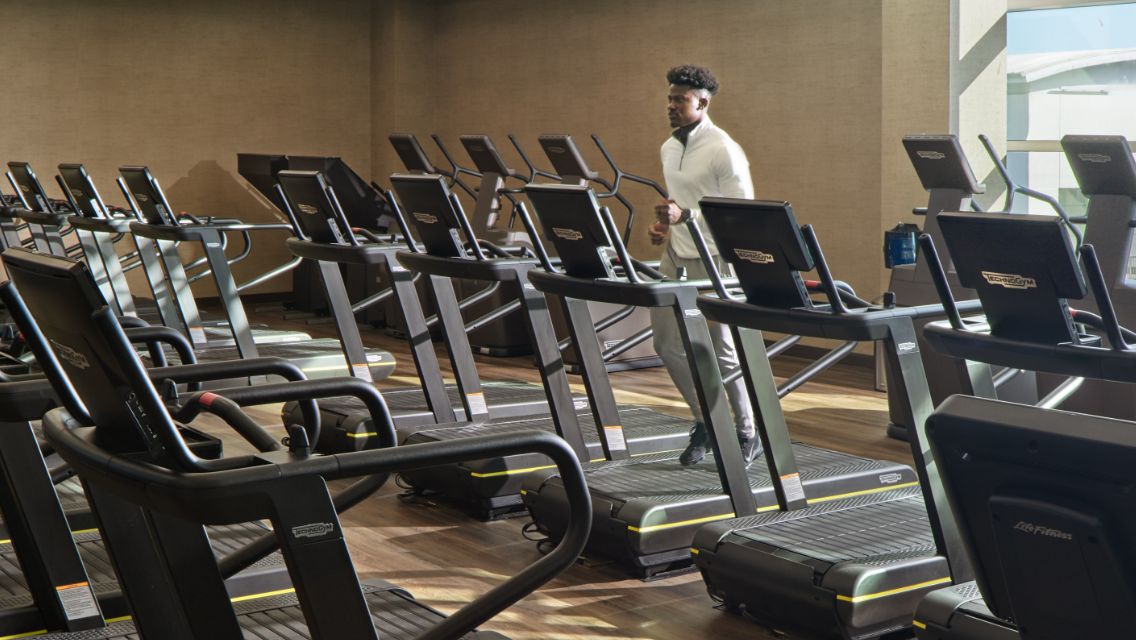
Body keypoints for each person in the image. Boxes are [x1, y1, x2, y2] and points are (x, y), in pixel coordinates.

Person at [650, 64, 760, 466]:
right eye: (670, 98)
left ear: (703, 102)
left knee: (722, 351)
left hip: (716, 259)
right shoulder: (669, 147)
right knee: (667, 345)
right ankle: (709, 423)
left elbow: (741, 214)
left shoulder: (723, 149)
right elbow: (681, 199)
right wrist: (665, 225)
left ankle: (747, 430)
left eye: (680, 98)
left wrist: (689, 217)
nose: (672, 105)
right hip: (677, 255)